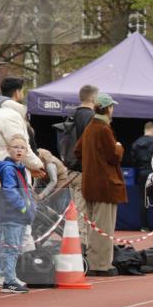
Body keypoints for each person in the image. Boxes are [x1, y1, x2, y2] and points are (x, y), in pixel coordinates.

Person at [73, 92, 126, 276]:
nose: (113, 110)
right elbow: (114, 155)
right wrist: (119, 146)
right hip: (106, 185)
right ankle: (101, 264)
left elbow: (77, 150)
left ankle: (95, 261)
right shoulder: (103, 129)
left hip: (90, 183)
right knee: (104, 226)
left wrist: (92, 162)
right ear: (107, 108)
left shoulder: (89, 128)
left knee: (94, 225)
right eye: (112, 107)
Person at [0, 135, 36, 293]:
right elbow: (10, 191)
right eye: (15, 147)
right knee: (11, 248)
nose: (19, 150)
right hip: (12, 215)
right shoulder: (9, 168)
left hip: (19, 217)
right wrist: (24, 208)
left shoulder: (20, 169)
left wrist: (31, 208)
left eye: (22, 148)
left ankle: (10, 277)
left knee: (15, 248)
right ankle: (8, 280)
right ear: (8, 149)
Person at [64, 84, 99, 252]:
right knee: (85, 214)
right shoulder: (91, 117)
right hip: (84, 171)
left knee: (77, 211)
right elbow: (90, 145)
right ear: (93, 98)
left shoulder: (72, 115)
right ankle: (82, 251)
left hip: (70, 170)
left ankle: (79, 248)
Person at [0, 76, 43, 176]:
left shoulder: (1, 114)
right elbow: (20, 148)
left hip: (5, 172)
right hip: (9, 176)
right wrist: (39, 165)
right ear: (17, 92)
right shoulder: (10, 116)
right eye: (22, 91)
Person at [130, 121, 153, 231]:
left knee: (143, 199)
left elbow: (133, 160)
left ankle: (144, 226)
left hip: (142, 173)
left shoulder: (136, 143)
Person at [35, 147, 71, 215]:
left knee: (60, 203)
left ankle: (61, 218)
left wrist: (42, 194)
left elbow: (53, 181)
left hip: (61, 179)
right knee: (50, 200)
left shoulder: (50, 164)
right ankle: (54, 217)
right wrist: (33, 191)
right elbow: (37, 178)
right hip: (50, 181)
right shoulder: (36, 163)